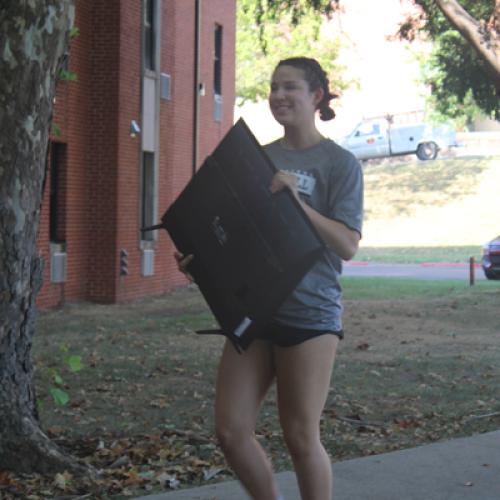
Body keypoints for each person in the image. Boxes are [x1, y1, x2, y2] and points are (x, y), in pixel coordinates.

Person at [175, 56, 363, 500]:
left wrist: (298, 205)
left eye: (290, 87)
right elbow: (239, 233)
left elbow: (348, 244)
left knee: (300, 438)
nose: (279, 95)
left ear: (316, 96)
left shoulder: (340, 164)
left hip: (310, 314)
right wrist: (202, 260)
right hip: (255, 311)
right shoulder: (258, 158)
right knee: (231, 430)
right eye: (274, 87)